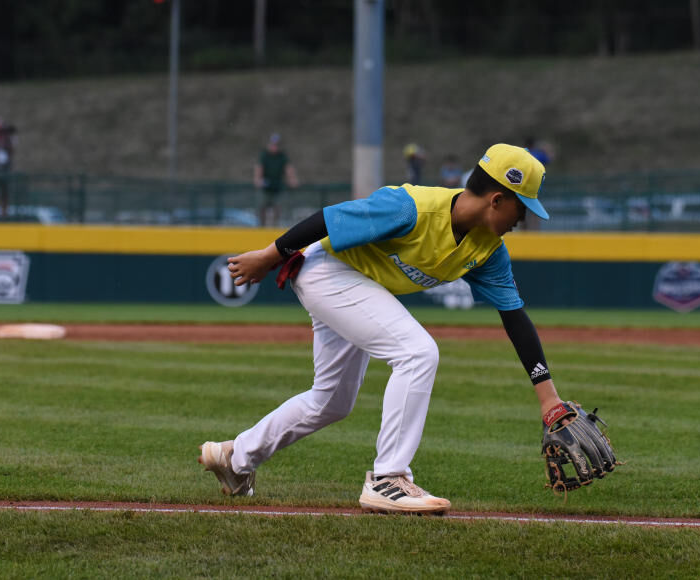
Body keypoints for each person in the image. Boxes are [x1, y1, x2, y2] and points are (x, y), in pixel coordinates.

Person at [199, 143, 564, 515]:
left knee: (332, 401)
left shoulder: (489, 249)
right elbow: (330, 218)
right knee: (417, 352)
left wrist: (548, 398)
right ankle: (388, 478)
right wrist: (268, 255)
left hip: (356, 282)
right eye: (523, 206)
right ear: (498, 200)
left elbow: (514, 317)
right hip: (328, 272)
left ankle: (234, 457)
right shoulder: (413, 208)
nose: (523, 218)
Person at [254, 133, 299, 226]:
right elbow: (259, 168)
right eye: (273, 145)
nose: (275, 147)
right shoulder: (265, 155)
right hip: (266, 187)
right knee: (262, 207)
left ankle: (275, 226)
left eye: (277, 145)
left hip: (277, 187)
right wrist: (258, 179)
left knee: (277, 208)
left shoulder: (282, 156)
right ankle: (261, 227)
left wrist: (292, 179)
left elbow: (288, 168)